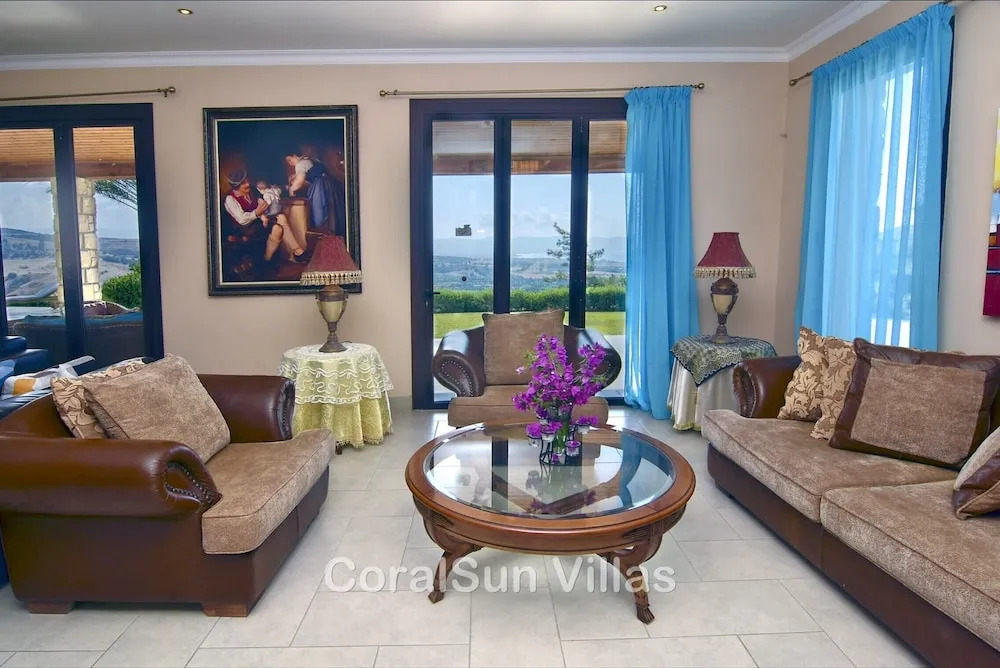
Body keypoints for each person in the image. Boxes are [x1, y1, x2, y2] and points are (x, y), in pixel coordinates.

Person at [223, 172, 302, 264]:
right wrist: (257, 213)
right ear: (236, 186)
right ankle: (267, 260)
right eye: (244, 183)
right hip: (244, 229)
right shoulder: (230, 199)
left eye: (247, 181)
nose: (248, 184)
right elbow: (242, 220)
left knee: (281, 217)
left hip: (257, 222)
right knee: (277, 229)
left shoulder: (251, 190)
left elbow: (260, 200)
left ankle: (296, 251)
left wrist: (262, 208)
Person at [285, 151, 346, 238]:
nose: (290, 163)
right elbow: (308, 179)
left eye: (289, 160)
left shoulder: (300, 164)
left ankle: (324, 239)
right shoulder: (310, 160)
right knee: (330, 215)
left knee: (320, 216)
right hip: (328, 187)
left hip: (320, 189)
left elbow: (299, 182)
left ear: (295, 155)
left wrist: (291, 189)